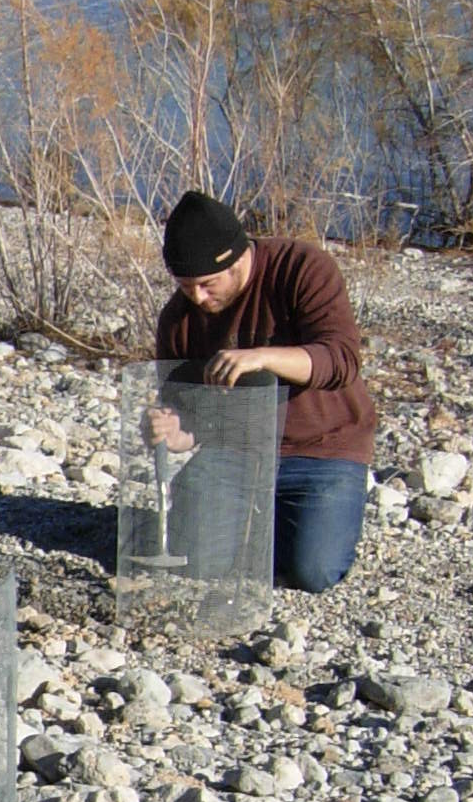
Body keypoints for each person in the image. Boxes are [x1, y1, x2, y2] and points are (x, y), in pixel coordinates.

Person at [155, 190, 378, 592]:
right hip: (233, 451)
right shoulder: (178, 318)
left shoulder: (302, 268)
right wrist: (172, 432)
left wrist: (263, 358)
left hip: (322, 449)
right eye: (187, 287)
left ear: (239, 258)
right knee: (198, 563)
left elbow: (341, 360)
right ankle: (241, 519)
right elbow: (187, 417)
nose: (198, 298)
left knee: (312, 572)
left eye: (207, 284)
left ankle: (297, 524)